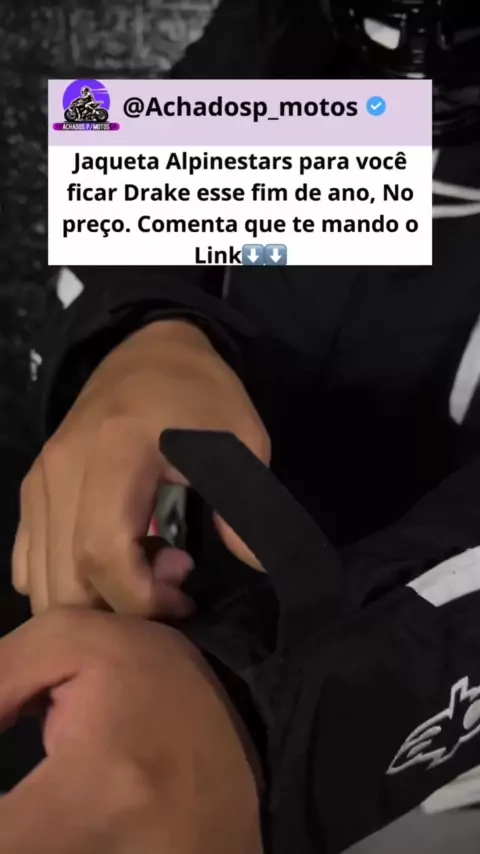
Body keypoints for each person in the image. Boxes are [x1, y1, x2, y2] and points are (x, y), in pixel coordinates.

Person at [5, 0, 480, 851]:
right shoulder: (292, 35)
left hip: (397, 754)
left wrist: (273, 719)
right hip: (185, 637)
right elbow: (124, 209)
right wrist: (143, 333)